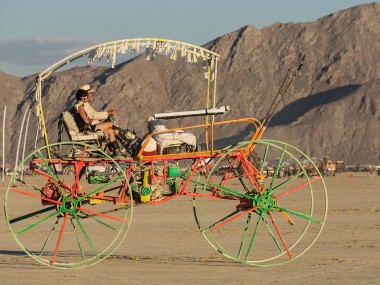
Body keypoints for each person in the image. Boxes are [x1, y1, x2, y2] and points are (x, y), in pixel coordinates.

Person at [73, 84, 124, 158]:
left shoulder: (83, 104)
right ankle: (126, 142)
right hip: (88, 129)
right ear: (84, 97)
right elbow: (88, 120)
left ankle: (116, 151)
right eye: (90, 93)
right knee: (112, 124)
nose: (91, 95)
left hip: (90, 127)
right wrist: (92, 120)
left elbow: (91, 115)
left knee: (110, 131)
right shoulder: (80, 106)